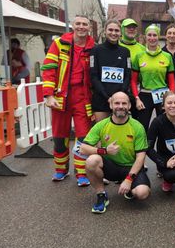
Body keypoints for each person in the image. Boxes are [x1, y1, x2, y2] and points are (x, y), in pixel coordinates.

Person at [41, 15, 95, 187]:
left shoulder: (94, 47)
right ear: (72, 25)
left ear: (89, 28)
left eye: (84, 24)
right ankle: (61, 169)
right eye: (78, 23)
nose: (81, 27)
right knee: (59, 135)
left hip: (83, 97)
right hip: (60, 96)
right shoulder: (58, 44)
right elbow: (49, 69)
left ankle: (81, 173)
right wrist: (48, 95)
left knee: (83, 136)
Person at [80, 92, 151, 213]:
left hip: (131, 168)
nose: (120, 106)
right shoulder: (102, 125)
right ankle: (101, 195)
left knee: (142, 193)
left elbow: (141, 157)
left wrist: (129, 179)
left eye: (124, 103)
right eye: (117, 103)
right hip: (111, 167)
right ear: (111, 105)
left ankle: (129, 189)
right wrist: (104, 150)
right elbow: (83, 148)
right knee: (92, 161)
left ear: (129, 106)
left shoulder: (137, 126)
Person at [131, 24, 175, 131]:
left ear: (158, 37)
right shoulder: (139, 56)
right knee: (142, 127)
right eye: (149, 35)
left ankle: (162, 148)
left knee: (164, 127)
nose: (152, 38)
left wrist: (170, 98)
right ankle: (144, 148)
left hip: (162, 95)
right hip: (145, 95)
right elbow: (133, 81)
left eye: (154, 35)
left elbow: (172, 81)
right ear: (145, 37)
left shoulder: (167, 56)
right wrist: (137, 98)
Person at [90, 19, 132, 122]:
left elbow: (128, 75)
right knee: (103, 134)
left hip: (120, 101)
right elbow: (93, 76)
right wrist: (107, 97)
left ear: (120, 33)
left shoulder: (126, 52)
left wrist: (119, 96)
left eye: (116, 30)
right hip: (101, 100)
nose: (113, 33)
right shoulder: (95, 50)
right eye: (110, 30)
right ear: (105, 31)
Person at [118, 18, 145, 119]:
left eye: (133, 27)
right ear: (122, 29)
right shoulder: (117, 46)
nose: (131, 29)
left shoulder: (142, 49)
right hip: (119, 89)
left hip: (136, 91)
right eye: (128, 27)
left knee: (137, 120)